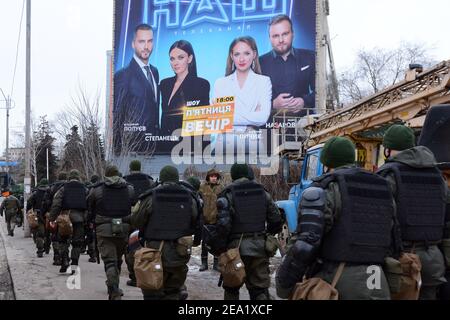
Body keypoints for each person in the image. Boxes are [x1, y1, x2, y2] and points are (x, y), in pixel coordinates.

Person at [276, 137, 394, 300]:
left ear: (325, 164)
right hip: (380, 281)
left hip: (338, 282)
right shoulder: (382, 187)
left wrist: (284, 284)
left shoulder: (326, 189)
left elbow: (305, 244)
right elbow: (394, 236)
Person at [377, 125, 447, 300]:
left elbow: (381, 219)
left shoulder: (389, 175)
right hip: (434, 260)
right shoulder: (437, 176)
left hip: (403, 262)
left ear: (387, 149)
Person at [211, 163, 283, 300]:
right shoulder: (262, 192)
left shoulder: (227, 194)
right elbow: (276, 219)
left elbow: (223, 226)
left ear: (233, 175)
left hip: (235, 250)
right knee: (259, 290)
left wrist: (220, 248)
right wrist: (267, 235)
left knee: (231, 288)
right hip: (259, 248)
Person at [131, 166, 201, 300]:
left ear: (161, 179)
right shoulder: (190, 198)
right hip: (179, 252)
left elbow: (136, 221)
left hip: (154, 251)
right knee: (173, 292)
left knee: (152, 291)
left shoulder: (150, 197)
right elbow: (196, 222)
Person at [212, 37, 272, 153]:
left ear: (254, 54)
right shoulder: (220, 83)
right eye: (237, 54)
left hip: (252, 144)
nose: (241, 59)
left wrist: (230, 115)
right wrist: (252, 115)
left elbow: (263, 117)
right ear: (231, 56)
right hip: (224, 144)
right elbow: (218, 118)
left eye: (246, 53)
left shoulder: (263, 81)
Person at [87, 165, 135, 300]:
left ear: (106, 175)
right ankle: (114, 286)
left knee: (110, 262)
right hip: (123, 229)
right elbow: (133, 205)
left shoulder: (96, 190)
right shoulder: (129, 189)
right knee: (117, 260)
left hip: (104, 229)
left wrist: (90, 223)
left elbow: (90, 208)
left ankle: (113, 290)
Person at [114, 23, 160, 153]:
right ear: (133, 44)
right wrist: (120, 150)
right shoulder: (123, 76)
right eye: (141, 42)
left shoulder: (155, 72)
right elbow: (117, 115)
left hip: (155, 145)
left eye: (149, 41)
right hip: (134, 148)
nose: (146, 46)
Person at [259, 14, 316, 119]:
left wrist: (304, 101)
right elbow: (251, 101)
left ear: (293, 34)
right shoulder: (259, 63)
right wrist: (273, 104)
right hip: (270, 128)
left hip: (304, 125)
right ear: (269, 38)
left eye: (285, 34)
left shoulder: (310, 57)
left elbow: (321, 91)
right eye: (275, 36)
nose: (280, 40)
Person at [160, 40, 210, 141]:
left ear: (190, 58)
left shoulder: (201, 84)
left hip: (187, 146)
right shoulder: (165, 84)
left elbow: (202, 124)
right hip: (163, 145)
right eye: (172, 59)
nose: (175, 63)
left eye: (180, 57)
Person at [49, 170, 89, 274]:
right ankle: (74, 264)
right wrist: (86, 218)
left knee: (63, 240)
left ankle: (65, 260)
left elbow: (56, 204)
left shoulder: (63, 188)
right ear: (78, 177)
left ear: (69, 178)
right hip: (79, 219)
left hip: (65, 219)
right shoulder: (85, 189)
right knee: (77, 243)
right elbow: (89, 204)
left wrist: (52, 218)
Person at [123, 160, 155, 287]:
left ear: (130, 168)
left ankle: (134, 276)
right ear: (140, 168)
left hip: (130, 218)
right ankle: (147, 273)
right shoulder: (150, 181)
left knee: (131, 246)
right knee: (145, 246)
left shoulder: (124, 181)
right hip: (146, 218)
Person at [198, 169, 224, 272]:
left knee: (216, 243)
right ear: (208, 177)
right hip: (205, 220)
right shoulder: (202, 188)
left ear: (217, 178)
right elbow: (198, 200)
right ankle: (204, 263)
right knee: (205, 243)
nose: (213, 178)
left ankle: (216, 264)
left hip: (216, 221)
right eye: (211, 176)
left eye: (215, 176)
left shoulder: (221, 189)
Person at [42, 172, 68, 266]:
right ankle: (65, 257)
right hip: (67, 216)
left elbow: (45, 202)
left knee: (55, 236)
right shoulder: (69, 187)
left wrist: (45, 213)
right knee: (66, 237)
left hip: (54, 214)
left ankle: (57, 257)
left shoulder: (51, 188)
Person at [27, 179, 50, 258]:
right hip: (49, 215)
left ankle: (40, 250)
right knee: (48, 232)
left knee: (40, 233)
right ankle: (47, 247)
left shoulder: (35, 193)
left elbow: (29, 203)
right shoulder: (51, 191)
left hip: (38, 214)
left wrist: (29, 211)